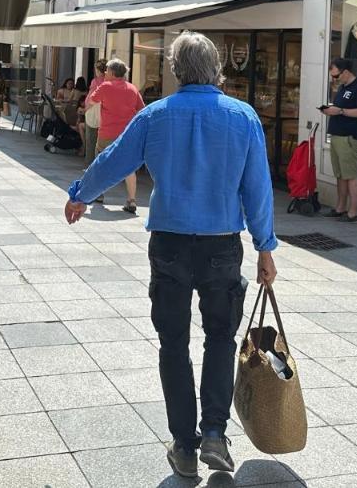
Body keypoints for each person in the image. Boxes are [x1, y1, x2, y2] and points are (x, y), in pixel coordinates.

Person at [64, 32, 277, 478]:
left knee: (173, 344)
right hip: (222, 244)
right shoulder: (243, 117)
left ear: (177, 70)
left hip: (170, 244)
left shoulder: (155, 116)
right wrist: (265, 246)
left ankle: (184, 444)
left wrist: (82, 194)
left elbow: (115, 159)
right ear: (216, 67)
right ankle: (215, 433)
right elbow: (257, 189)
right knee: (220, 338)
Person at [83, 59, 144, 213]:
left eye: (106, 70)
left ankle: (99, 194)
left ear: (111, 72)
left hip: (107, 133)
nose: (104, 73)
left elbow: (91, 101)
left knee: (102, 162)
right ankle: (131, 200)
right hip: (127, 134)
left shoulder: (105, 86)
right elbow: (141, 110)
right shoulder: (132, 88)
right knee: (129, 167)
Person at [323, 56, 357, 222]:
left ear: (346, 72)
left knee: (350, 174)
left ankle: (354, 211)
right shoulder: (343, 87)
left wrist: (340, 111)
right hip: (337, 135)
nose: (334, 79)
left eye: (336, 76)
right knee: (340, 174)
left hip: (348, 137)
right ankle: (340, 207)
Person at [79, 59, 108, 165]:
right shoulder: (109, 81)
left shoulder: (96, 81)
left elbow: (91, 98)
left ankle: (90, 163)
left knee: (91, 139)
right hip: (104, 113)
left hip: (92, 113)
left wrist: (85, 109)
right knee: (101, 141)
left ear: (98, 70)